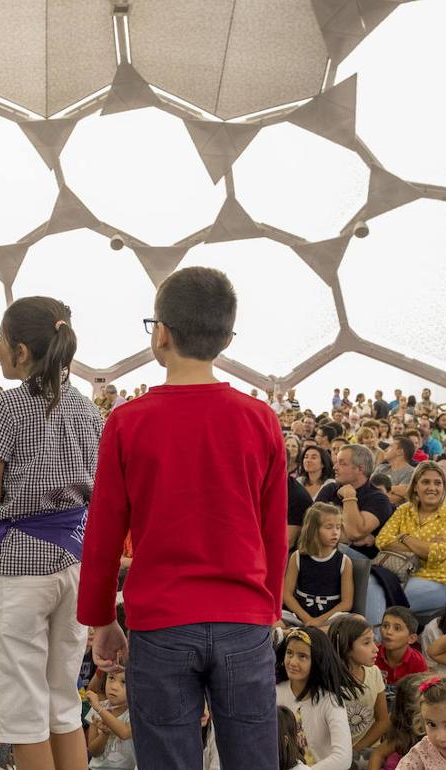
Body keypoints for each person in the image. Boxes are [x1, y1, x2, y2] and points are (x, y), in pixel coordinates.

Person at [80, 267, 286, 770]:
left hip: (162, 623)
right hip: (244, 618)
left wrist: (102, 618)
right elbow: (273, 533)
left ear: (161, 333)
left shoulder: (128, 422)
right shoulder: (260, 419)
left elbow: (104, 533)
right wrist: (271, 606)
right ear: (226, 339)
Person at [0, 296, 103, 770]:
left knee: (25, 709)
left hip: (23, 569)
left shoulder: (6, 407)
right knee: (63, 702)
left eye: (2, 340)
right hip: (75, 562)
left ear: (21, 350)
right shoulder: (89, 411)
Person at [364, 461, 446, 629]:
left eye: (438, 483)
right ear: (415, 487)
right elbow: (382, 540)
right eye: (425, 482)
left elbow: (439, 552)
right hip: (399, 573)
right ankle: (375, 645)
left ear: (444, 488)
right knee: (369, 583)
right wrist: (424, 545)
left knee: (379, 596)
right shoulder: (404, 510)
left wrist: (403, 538)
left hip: (438, 580)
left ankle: (374, 644)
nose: (432, 488)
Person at [274, 627, 355, 769]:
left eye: (302, 656)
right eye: (289, 653)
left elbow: (343, 758)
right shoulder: (274, 692)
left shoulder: (331, 701)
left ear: (318, 660)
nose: (292, 662)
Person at [282, 502, 352, 628]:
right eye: (329, 527)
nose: (335, 532)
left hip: (330, 618)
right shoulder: (297, 557)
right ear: (313, 529)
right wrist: (306, 618)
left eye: (338, 527)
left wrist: (319, 620)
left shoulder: (344, 561)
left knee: (357, 621)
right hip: (300, 615)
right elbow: (287, 594)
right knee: (274, 621)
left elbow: (347, 603)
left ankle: (314, 633)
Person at [329, 615, 389, 759]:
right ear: (346, 647)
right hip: (332, 754)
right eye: (366, 643)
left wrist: (355, 749)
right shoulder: (327, 681)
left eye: (374, 641)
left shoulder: (374, 673)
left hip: (365, 750)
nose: (376, 649)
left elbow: (383, 720)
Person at [317, 444, 392, 559]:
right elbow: (311, 526)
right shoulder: (330, 489)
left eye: (342, 463)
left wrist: (349, 496)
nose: (334, 467)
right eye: (336, 462)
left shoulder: (378, 499)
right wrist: (348, 537)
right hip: (320, 552)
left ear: (360, 469)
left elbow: (354, 532)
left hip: (359, 562)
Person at [87, 669, 134, 770]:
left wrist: (99, 709)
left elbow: (124, 733)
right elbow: (93, 752)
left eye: (124, 682)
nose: (114, 687)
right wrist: (104, 734)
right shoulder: (97, 707)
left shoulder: (135, 713)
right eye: (111, 678)